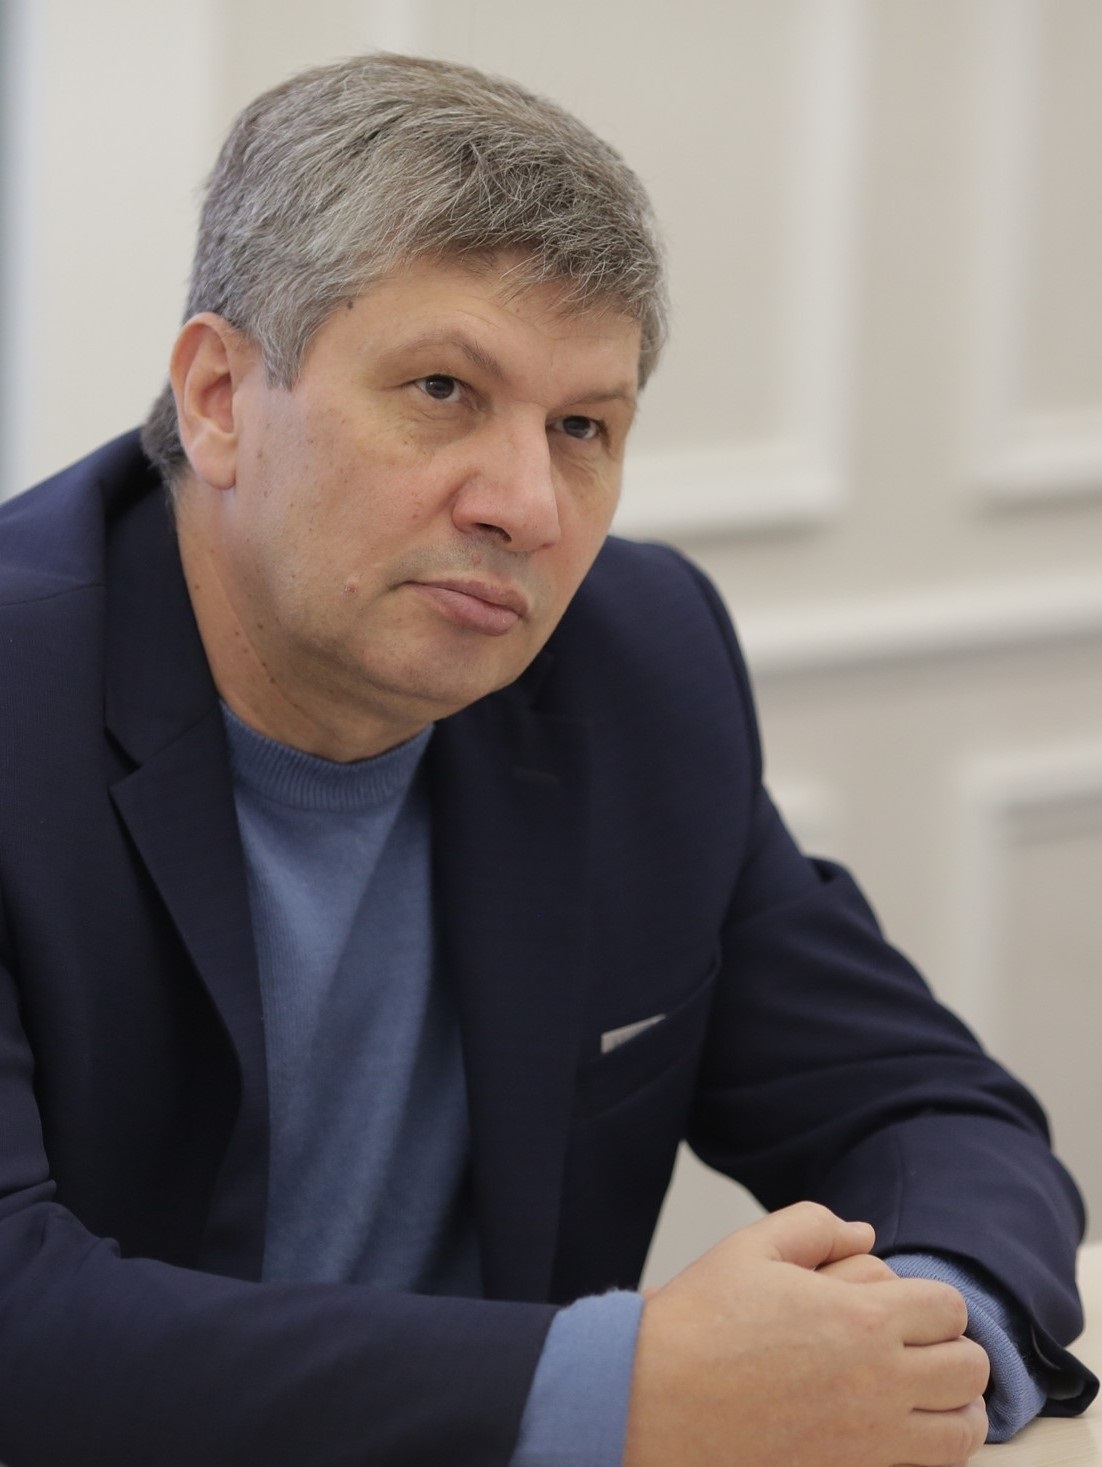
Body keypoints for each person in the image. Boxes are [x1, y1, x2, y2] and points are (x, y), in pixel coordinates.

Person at [0, 52, 1094, 1467]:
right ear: (219, 397)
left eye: (582, 427)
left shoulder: (636, 661)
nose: (527, 506)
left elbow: (923, 1107)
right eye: (443, 389)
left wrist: (916, 1334)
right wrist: (612, 1391)